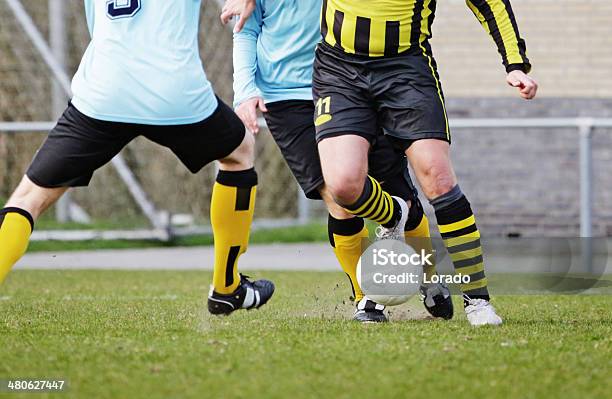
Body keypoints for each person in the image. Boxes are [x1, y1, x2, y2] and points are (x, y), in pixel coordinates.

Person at [222, 0, 538, 326]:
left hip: (404, 70)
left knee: (435, 178)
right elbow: (251, 25)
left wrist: (514, 62)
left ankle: (475, 299)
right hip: (334, 74)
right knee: (341, 189)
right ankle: (381, 255)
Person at [0, 0, 274, 316]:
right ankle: (227, 288)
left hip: (104, 92)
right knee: (239, 152)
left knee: (27, 199)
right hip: (172, 91)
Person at [232, 0, 453, 323]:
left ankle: (428, 275)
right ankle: (366, 296)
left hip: (354, 84)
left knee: (396, 188)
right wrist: (244, 90)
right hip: (286, 99)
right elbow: (244, 30)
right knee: (339, 198)